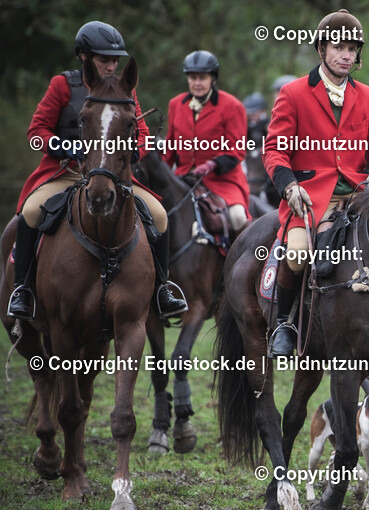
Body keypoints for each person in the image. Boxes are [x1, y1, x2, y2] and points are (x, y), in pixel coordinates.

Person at [8, 20, 186, 320]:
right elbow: (36, 131)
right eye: (104, 59)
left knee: (159, 214)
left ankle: (162, 289)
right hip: (67, 172)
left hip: (114, 175)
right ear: (85, 57)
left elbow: (141, 133)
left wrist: (130, 153)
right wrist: (67, 148)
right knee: (31, 211)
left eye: (115, 60)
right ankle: (23, 289)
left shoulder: (125, 88)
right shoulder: (62, 85)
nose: (111, 65)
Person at [262, 9, 369, 357]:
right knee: (298, 253)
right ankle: (284, 323)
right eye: (339, 48)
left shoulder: (367, 95)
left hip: (358, 197)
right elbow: (275, 150)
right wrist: (290, 187)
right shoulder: (293, 93)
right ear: (322, 49)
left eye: (352, 49)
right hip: (309, 200)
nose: (346, 55)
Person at [164, 50, 250, 236]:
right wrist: (160, 172)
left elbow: (237, 150)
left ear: (213, 79)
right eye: (193, 78)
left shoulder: (232, 106)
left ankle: (235, 261)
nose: (197, 83)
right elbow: (170, 147)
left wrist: (210, 165)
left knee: (237, 216)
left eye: (202, 78)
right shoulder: (176, 104)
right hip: (183, 179)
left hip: (222, 181)